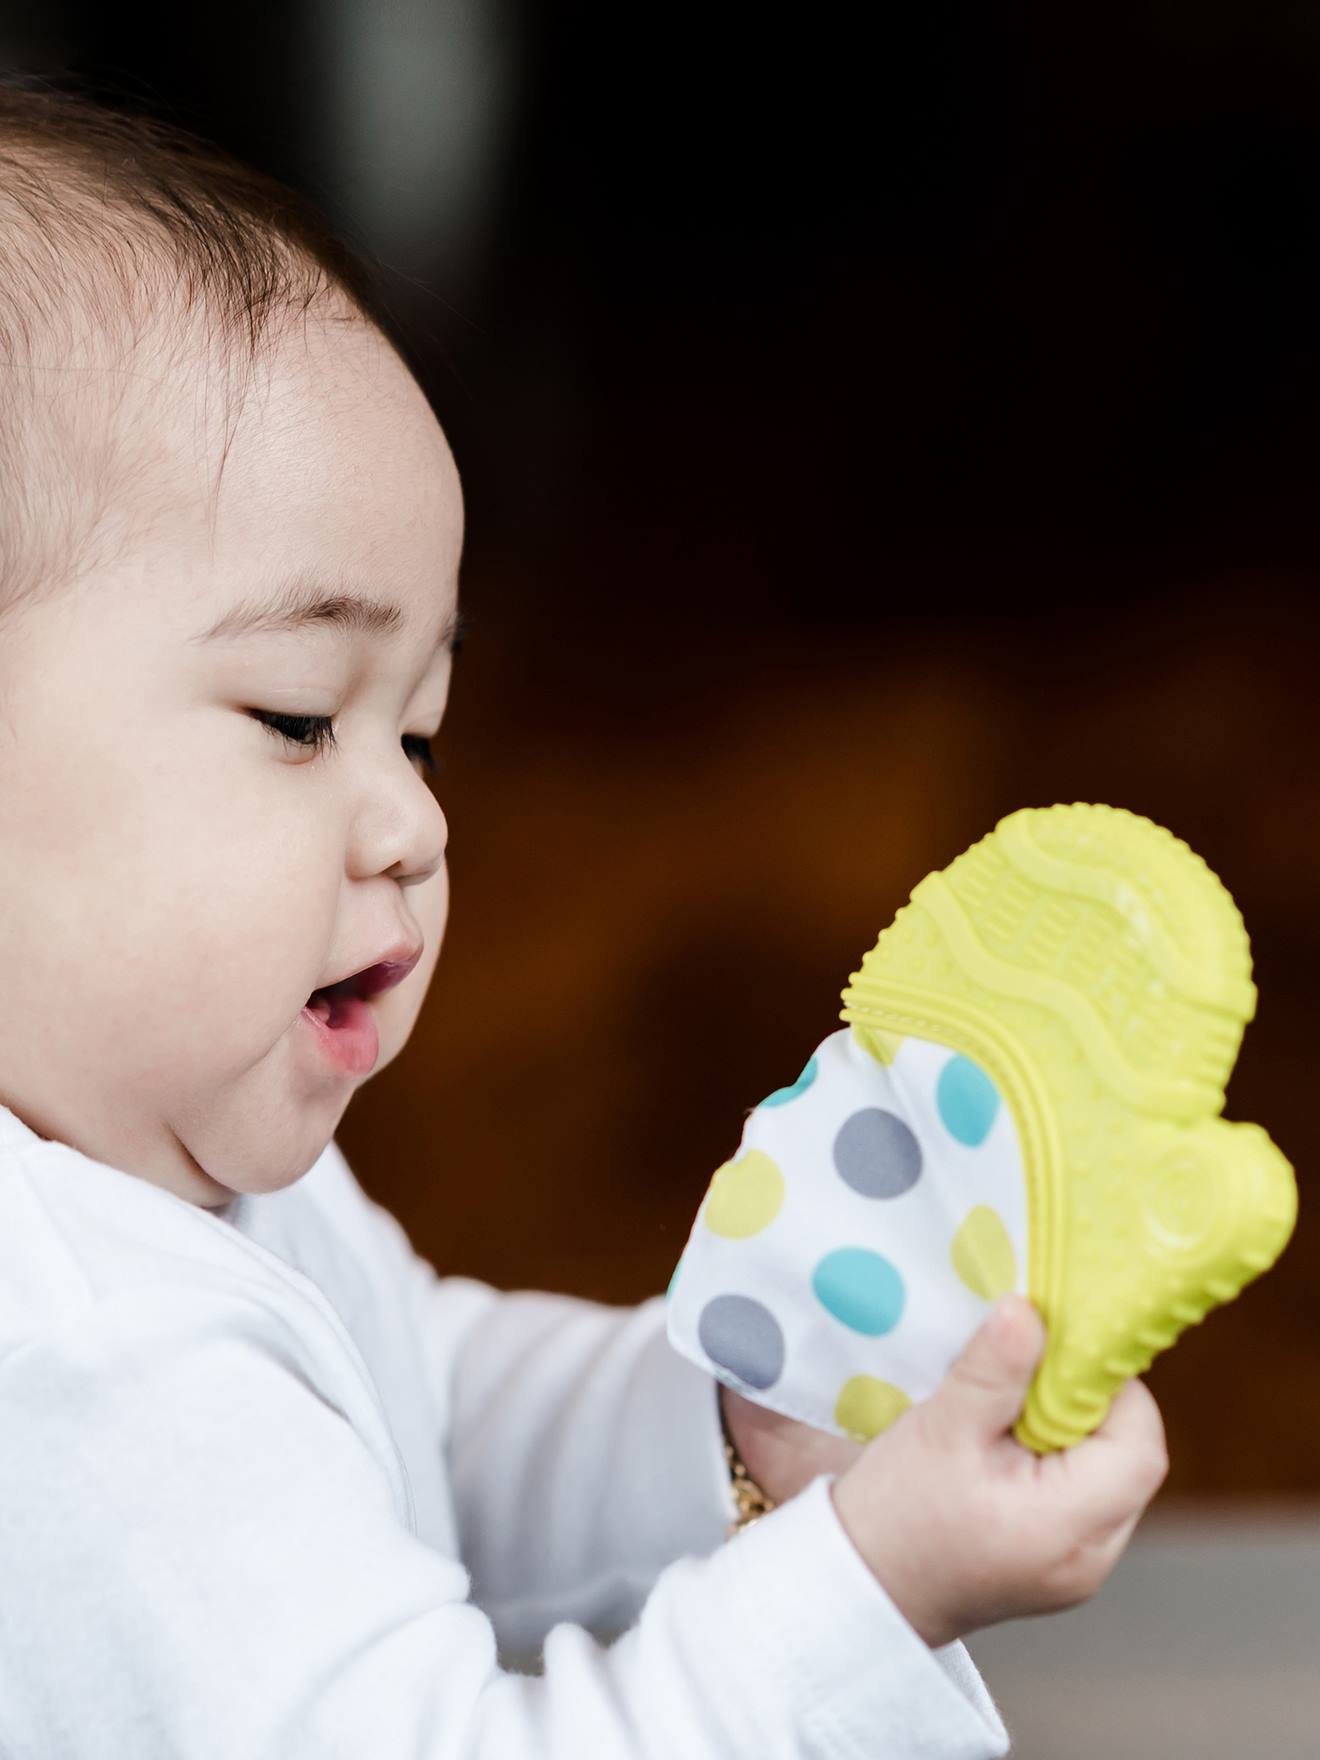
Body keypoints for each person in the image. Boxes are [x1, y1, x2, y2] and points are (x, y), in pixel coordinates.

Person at [0, 77, 1167, 1759]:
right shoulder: (76, 1371)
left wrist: (738, 1423)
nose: (414, 823)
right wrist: (866, 1595)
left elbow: (423, 1415)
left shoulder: (170, 1152)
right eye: (300, 718)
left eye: (421, 733)